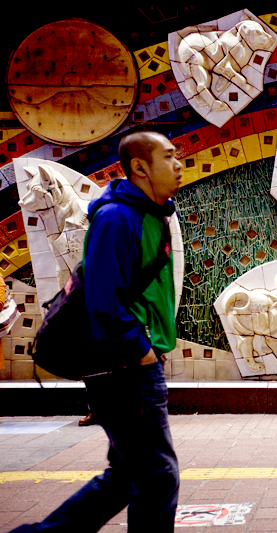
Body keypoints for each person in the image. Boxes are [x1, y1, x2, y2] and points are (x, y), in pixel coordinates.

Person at [11, 131, 183, 533]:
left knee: (127, 476)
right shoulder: (118, 218)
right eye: (169, 156)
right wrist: (141, 351)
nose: (178, 164)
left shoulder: (151, 214)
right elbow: (104, 302)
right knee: (158, 476)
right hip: (124, 369)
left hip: (132, 363)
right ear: (141, 167)